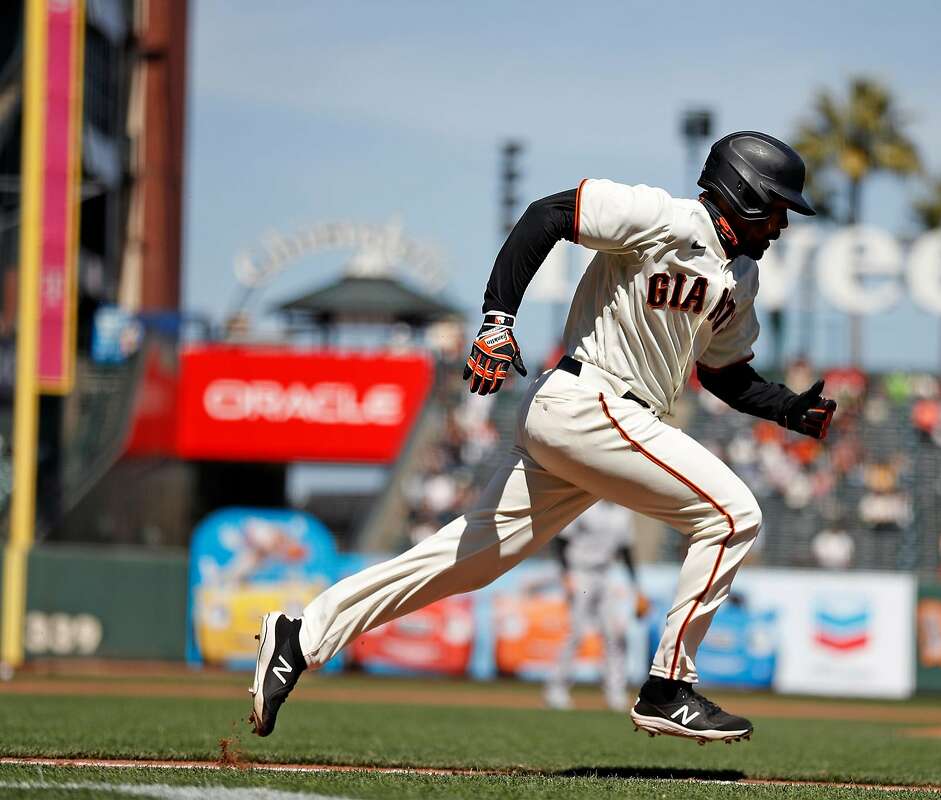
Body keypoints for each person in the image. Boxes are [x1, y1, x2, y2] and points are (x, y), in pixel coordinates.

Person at [248, 131, 835, 744]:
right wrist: (498, 322)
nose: (782, 224)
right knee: (734, 513)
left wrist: (788, 408)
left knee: (467, 561)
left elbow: (723, 372)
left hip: (600, 425)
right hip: (591, 401)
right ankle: (668, 687)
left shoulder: (739, 279)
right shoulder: (665, 218)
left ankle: (300, 636)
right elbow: (548, 214)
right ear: (743, 195)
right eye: (777, 207)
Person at [543, 500, 649, 712]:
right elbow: (561, 540)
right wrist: (566, 574)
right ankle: (557, 689)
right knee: (575, 633)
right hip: (579, 571)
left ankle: (615, 692)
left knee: (614, 634)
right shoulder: (585, 505)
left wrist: (636, 586)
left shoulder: (623, 511)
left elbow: (626, 550)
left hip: (606, 573)